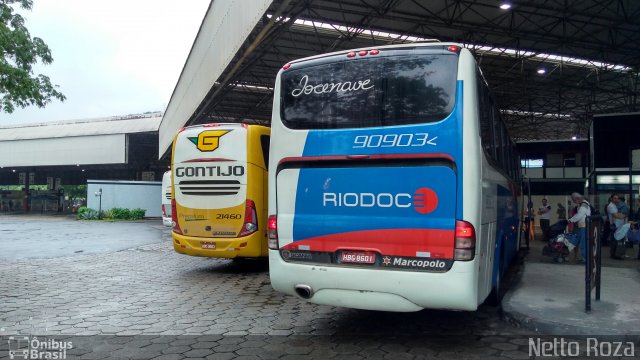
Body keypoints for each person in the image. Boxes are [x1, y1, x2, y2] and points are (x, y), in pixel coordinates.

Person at [567, 192, 591, 263]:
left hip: (584, 226)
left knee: (583, 243)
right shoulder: (582, 204)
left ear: (577, 198)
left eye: (574, 201)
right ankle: (584, 258)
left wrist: (571, 220)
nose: (575, 202)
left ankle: (585, 259)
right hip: (582, 226)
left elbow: (580, 215)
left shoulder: (584, 205)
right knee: (580, 242)